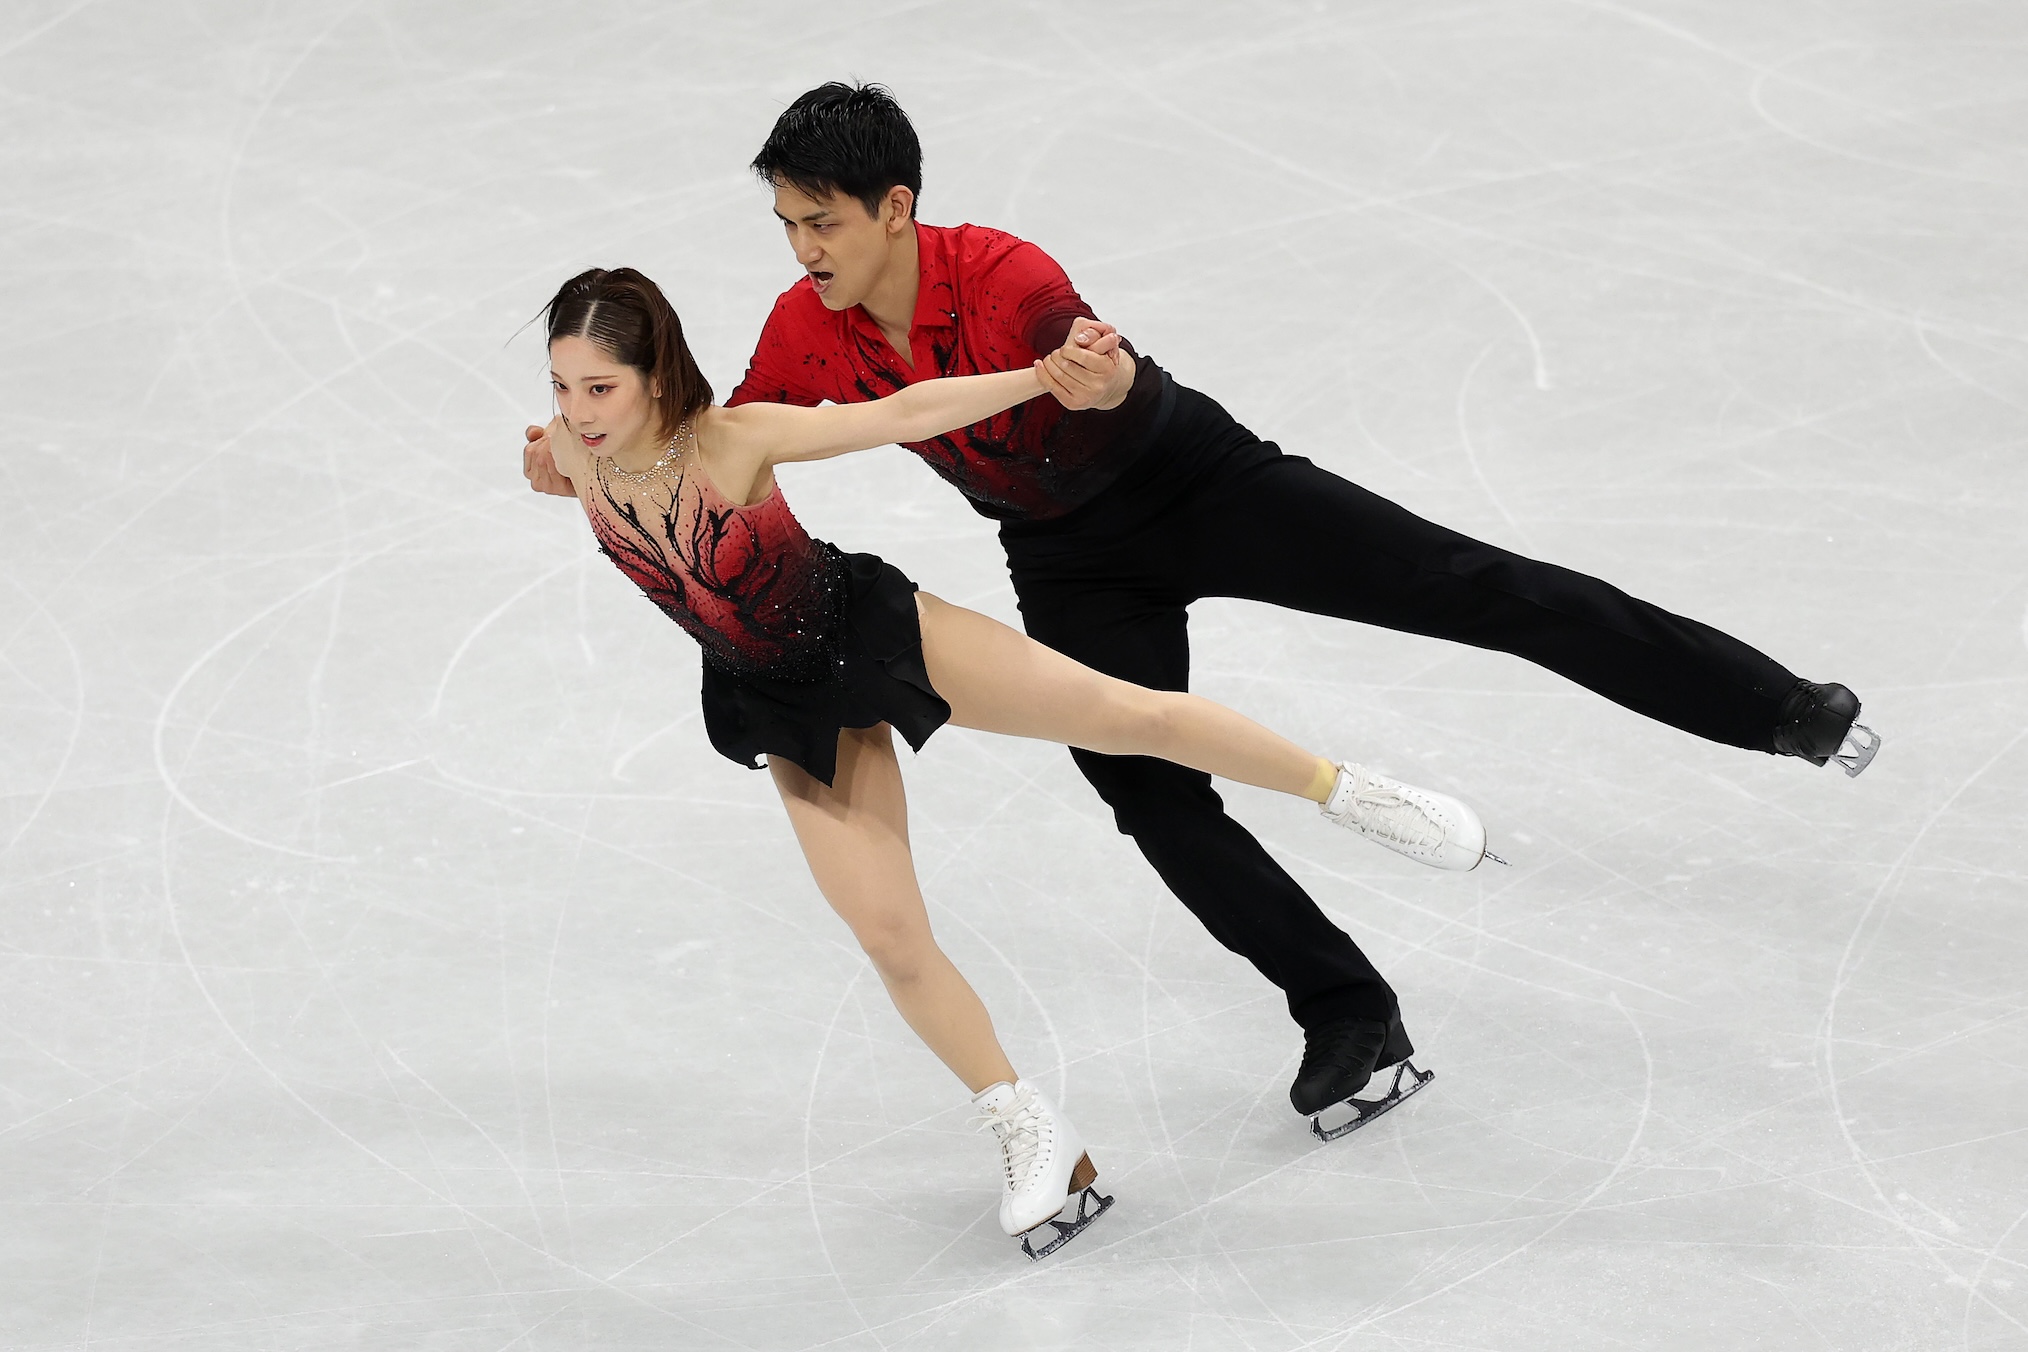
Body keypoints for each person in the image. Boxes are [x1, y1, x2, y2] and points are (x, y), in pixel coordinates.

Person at [523, 82, 1878, 1132]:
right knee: (1143, 781)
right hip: (1067, 559)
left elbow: (1086, 368)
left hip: (1198, 479)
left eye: (821, 219)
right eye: (785, 224)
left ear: (895, 206)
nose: (803, 247)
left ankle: (1776, 709)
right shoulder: (799, 332)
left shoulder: (1003, 275)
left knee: (1477, 590)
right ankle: (1348, 1011)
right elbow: (716, 430)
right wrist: (587, 451)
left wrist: (1097, 383)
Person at [528, 266, 1486, 1257]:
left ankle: (1350, 791)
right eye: (561, 385)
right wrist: (552, 459)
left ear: (655, 375)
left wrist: (1037, 378)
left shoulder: (734, 440)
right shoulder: (566, 451)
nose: (577, 410)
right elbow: (559, 465)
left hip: (873, 632)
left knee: (1124, 711)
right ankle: (1033, 1131)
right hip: (781, 702)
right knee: (891, 935)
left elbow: (906, 408)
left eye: (599, 386)